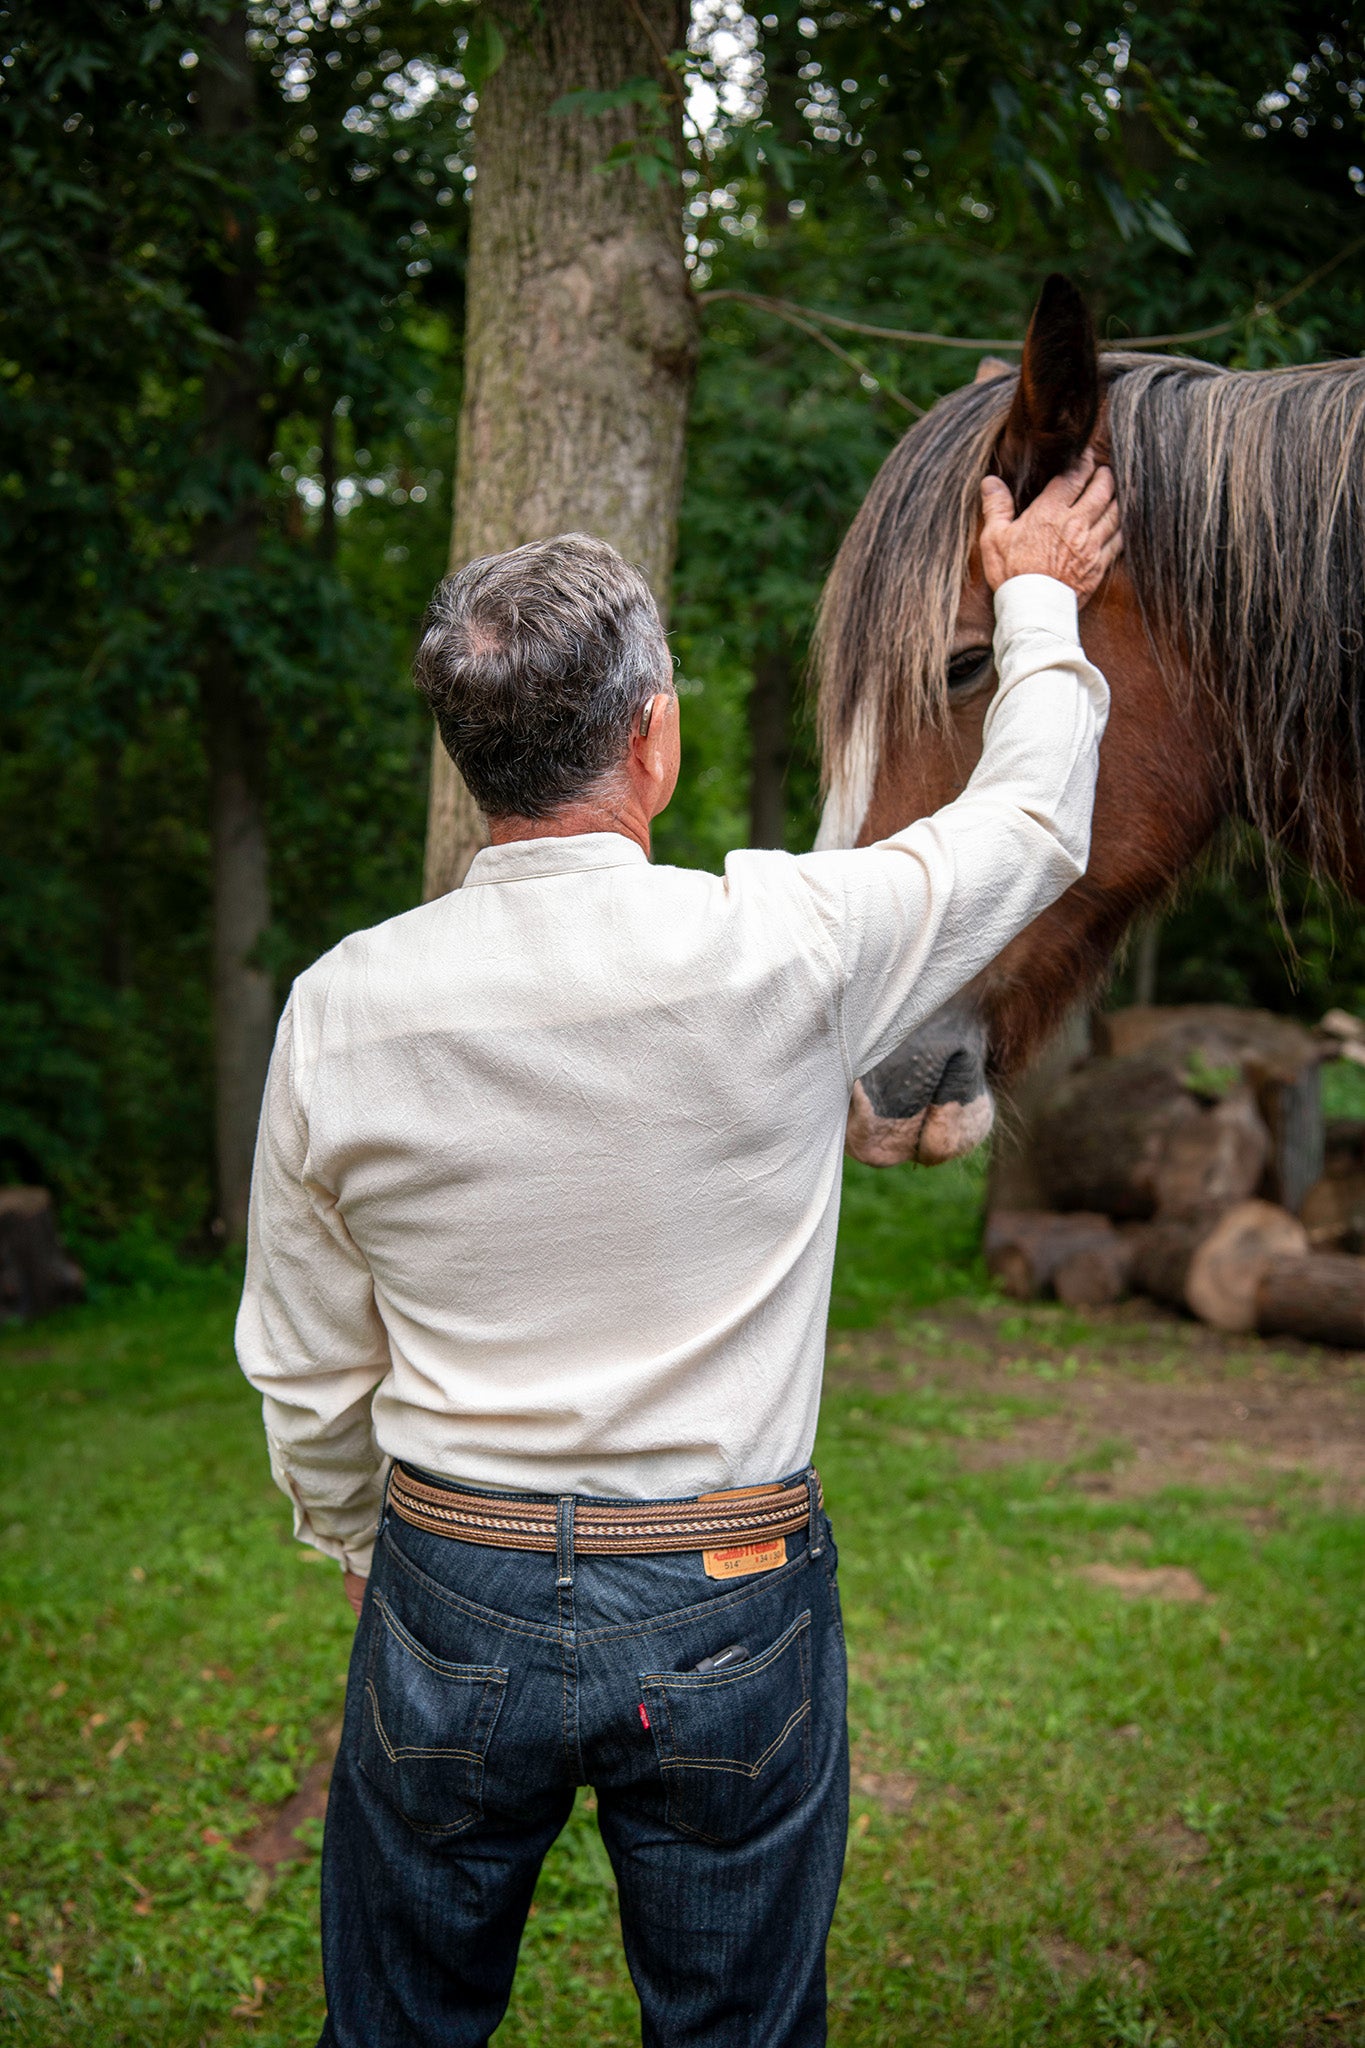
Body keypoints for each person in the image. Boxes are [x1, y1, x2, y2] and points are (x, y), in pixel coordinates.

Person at [236, 454, 1121, 2048]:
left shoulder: (338, 1003)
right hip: (727, 1589)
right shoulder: (786, 943)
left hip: (447, 1571)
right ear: (654, 738)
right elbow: (1035, 820)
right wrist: (1038, 593)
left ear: (468, 753)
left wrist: (359, 1534)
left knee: (396, 2026)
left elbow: (306, 1354)